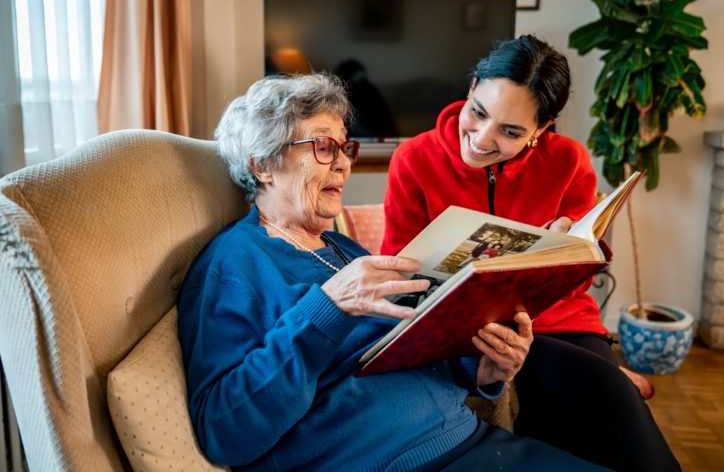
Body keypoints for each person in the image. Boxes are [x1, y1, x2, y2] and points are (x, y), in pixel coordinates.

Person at [176, 73, 607, 471]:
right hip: (390, 462)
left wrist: (486, 370)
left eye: (346, 148)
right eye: (324, 147)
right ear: (262, 165)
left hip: (470, 440)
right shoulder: (233, 264)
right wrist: (327, 306)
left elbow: (404, 349)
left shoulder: (342, 249)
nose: (343, 165)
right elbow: (223, 431)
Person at [381, 35, 678, 471]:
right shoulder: (414, 159)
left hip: (559, 324)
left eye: (511, 131)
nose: (481, 139)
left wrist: (565, 250)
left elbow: (580, 275)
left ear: (542, 128)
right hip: (463, 331)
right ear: (471, 87)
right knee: (589, 388)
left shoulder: (570, 161)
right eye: (477, 113)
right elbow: (396, 272)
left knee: (606, 400)